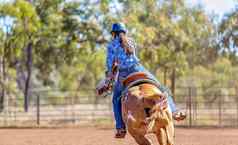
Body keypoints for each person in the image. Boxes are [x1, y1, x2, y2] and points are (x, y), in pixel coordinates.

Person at [106, 23, 186, 138]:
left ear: (113, 33)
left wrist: (110, 75)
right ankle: (174, 111)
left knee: (116, 99)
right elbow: (133, 57)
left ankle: (120, 128)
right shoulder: (131, 41)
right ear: (124, 32)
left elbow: (110, 65)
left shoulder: (111, 45)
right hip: (139, 69)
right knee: (161, 88)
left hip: (124, 73)